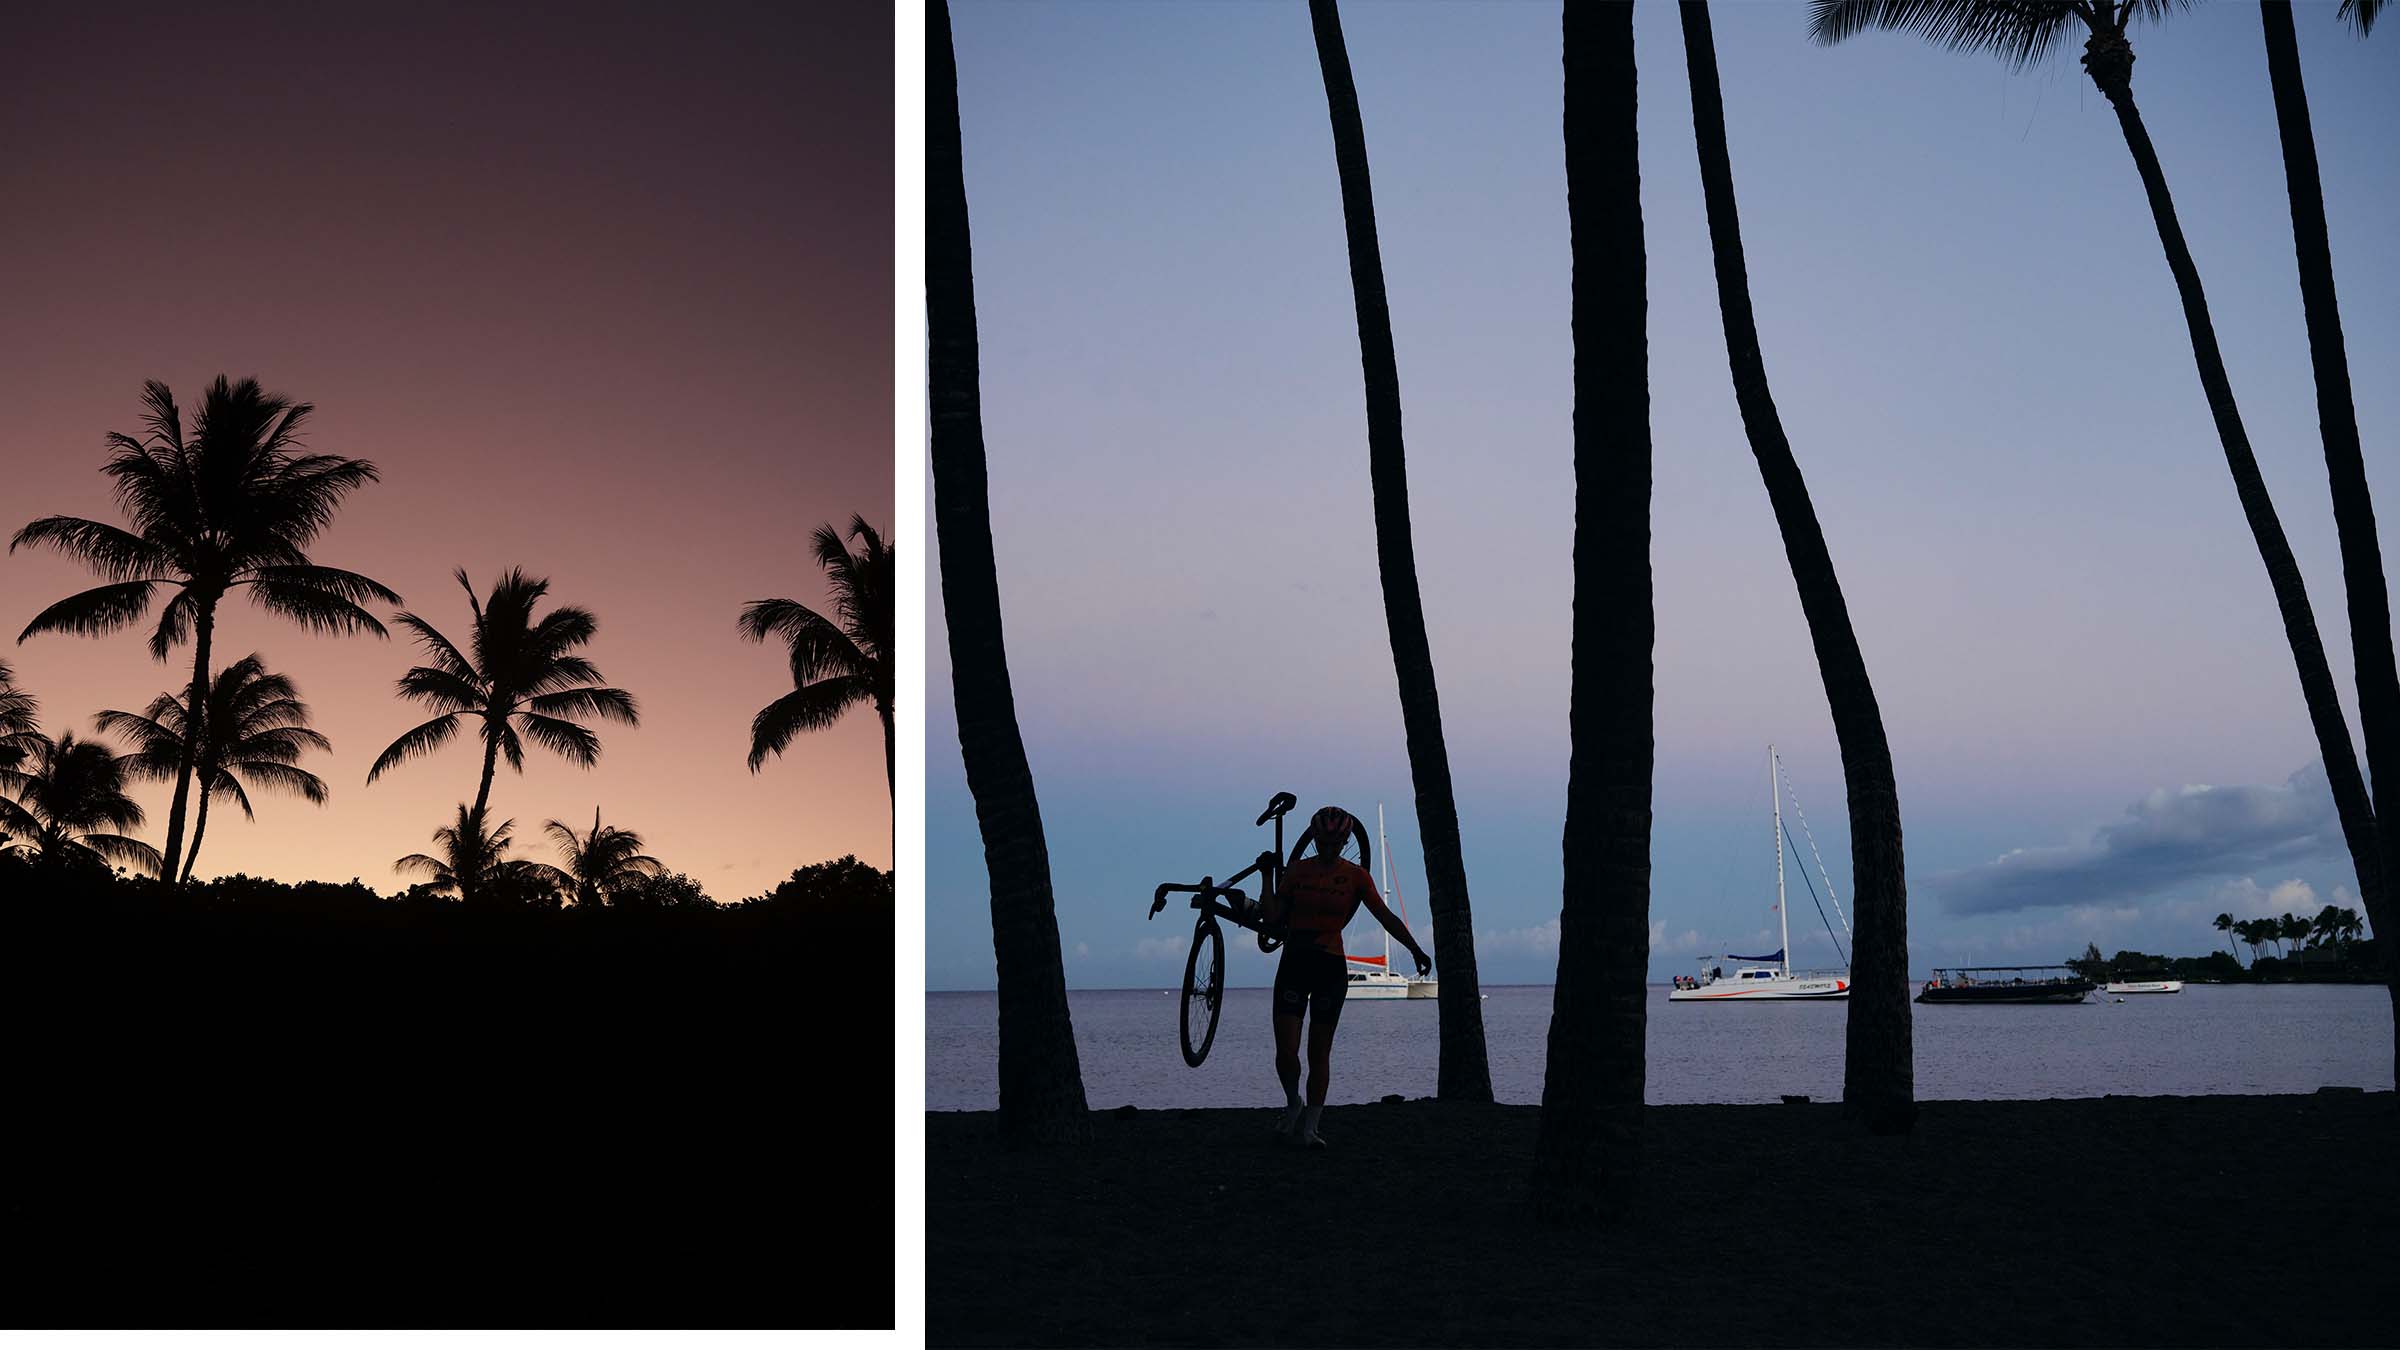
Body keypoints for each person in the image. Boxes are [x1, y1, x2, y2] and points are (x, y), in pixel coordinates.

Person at [1255, 804, 1431, 1149]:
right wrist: (1265, 876)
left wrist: (1415, 948)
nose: (1329, 847)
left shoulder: (1356, 876)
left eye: (1336, 842)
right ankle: (1294, 1104)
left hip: (1329, 969)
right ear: (1315, 838)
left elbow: (1385, 916)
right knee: (1286, 1052)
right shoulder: (1297, 871)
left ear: (1346, 840)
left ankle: (1311, 1128)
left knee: (1319, 1053)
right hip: (1294, 963)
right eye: (1323, 841)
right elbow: (1273, 915)